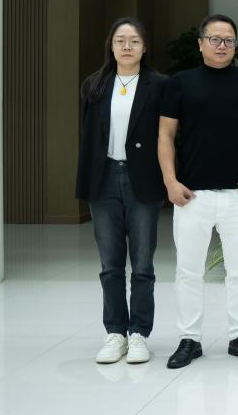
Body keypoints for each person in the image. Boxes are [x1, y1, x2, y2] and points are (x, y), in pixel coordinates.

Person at [158, 14, 238, 369]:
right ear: (201, 43)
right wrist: (170, 181)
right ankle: (189, 339)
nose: (222, 45)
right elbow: (165, 135)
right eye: (215, 39)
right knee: (188, 271)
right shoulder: (180, 83)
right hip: (192, 195)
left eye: (229, 40)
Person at [76, 18, 167, 364]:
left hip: (142, 179)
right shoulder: (95, 85)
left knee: (142, 263)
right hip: (104, 180)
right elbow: (88, 138)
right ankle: (115, 333)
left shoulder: (159, 85)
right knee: (110, 264)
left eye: (134, 41)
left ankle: (139, 333)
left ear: (145, 47)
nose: (127, 46)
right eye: (120, 40)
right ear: (111, 46)